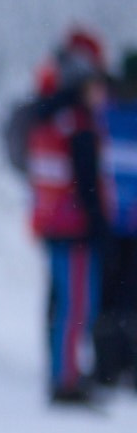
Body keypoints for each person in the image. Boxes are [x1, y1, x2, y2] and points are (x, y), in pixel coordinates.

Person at [8, 30, 110, 409]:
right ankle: (66, 380)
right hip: (75, 228)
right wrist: (100, 224)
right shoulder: (78, 124)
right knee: (78, 306)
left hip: (50, 223)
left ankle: (62, 372)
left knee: (64, 304)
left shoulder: (46, 115)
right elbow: (87, 183)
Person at [97, 53, 137, 391]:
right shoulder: (104, 115)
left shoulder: (102, 114)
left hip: (109, 224)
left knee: (109, 300)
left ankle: (109, 366)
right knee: (118, 300)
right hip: (115, 225)